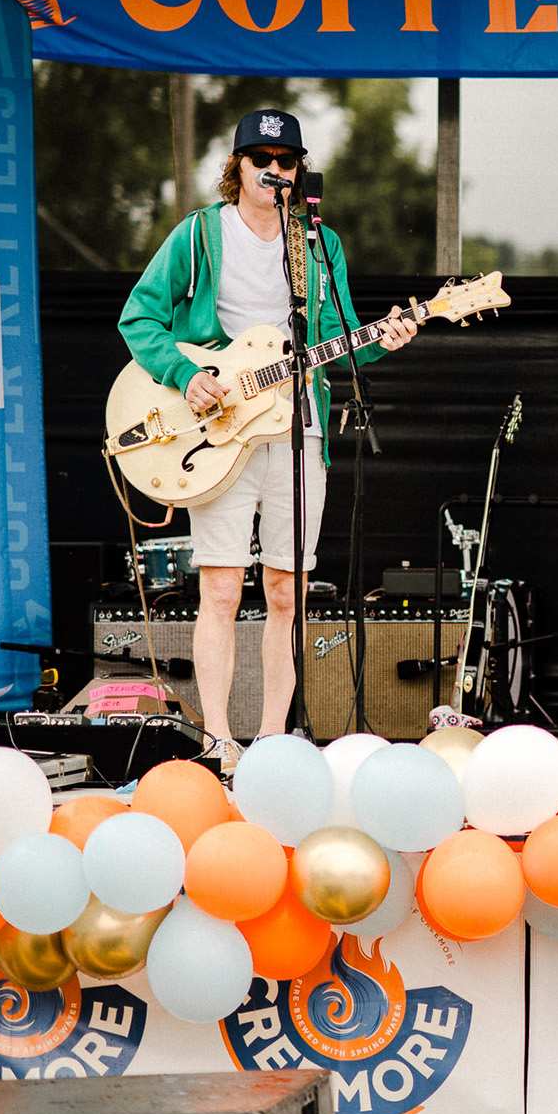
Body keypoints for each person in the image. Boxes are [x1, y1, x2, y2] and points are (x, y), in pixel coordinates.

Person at [119, 109, 418, 770]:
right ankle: (220, 737)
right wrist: (186, 372)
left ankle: (274, 742)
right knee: (222, 589)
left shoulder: (317, 242)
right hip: (217, 433)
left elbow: (336, 343)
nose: (274, 171)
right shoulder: (200, 234)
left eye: (286, 161)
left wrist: (385, 338)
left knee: (286, 590)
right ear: (238, 167)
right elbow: (138, 316)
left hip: (297, 431)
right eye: (261, 159)